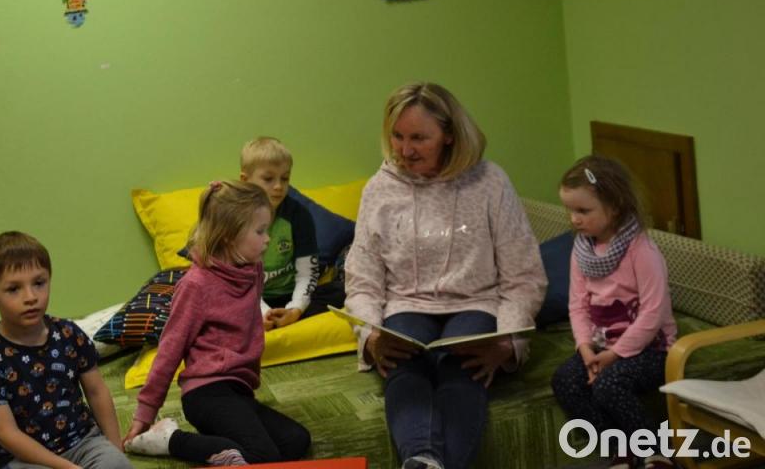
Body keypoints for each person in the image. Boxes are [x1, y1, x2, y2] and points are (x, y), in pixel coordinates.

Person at [344, 82, 546, 469]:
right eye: (398, 136)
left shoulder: (490, 183)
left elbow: (524, 275)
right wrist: (369, 335)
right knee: (403, 366)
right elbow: (363, 277)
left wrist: (509, 341)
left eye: (419, 138)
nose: (405, 150)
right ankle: (422, 458)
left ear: (450, 135)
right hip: (406, 304)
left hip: (476, 302)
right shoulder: (380, 189)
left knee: (461, 368)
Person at [123, 181, 311, 466]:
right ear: (229, 236)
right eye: (260, 231)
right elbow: (170, 349)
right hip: (205, 393)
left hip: (239, 391)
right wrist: (144, 414)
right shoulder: (196, 285)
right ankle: (170, 439)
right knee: (264, 457)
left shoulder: (253, 270)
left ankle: (226, 446)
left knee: (297, 440)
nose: (268, 239)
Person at [552, 156, 677, 469]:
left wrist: (615, 355)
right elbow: (578, 305)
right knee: (565, 381)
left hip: (652, 349)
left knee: (609, 384)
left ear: (616, 206)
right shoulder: (581, 250)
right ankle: (618, 449)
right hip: (602, 347)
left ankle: (655, 450)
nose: (574, 219)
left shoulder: (641, 250)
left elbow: (653, 312)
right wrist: (584, 348)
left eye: (584, 211)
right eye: (570, 211)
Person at [0, 232, 131, 469]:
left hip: (84, 442)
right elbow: (6, 433)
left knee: (116, 465)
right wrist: (66, 467)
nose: (30, 297)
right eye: (13, 289)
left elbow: (97, 392)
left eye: (39, 283)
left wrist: (115, 447)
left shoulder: (69, 333)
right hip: (26, 458)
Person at [239, 136, 334, 329]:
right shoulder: (234, 217)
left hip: (289, 294)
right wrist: (263, 312)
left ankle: (284, 316)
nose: (278, 186)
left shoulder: (299, 215)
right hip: (247, 296)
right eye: (268, 179)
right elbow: (237, 279)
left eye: (285, 178)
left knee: (342, 292)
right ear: (245, 181)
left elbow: (307, 274)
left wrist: (295, 309)